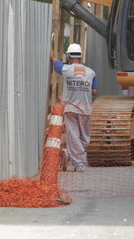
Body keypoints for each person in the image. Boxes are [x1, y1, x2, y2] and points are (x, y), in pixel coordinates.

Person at [50, 43, 98, 172]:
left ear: (68, 56)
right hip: (86, 110)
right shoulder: (91, 72)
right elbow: (94, 91)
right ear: (80, 56)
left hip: (71, 109)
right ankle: (78, 160)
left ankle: (76, 161)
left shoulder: (66, 70)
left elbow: (54, 60)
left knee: (74, 136)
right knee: (84, 138)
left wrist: (49, 46)